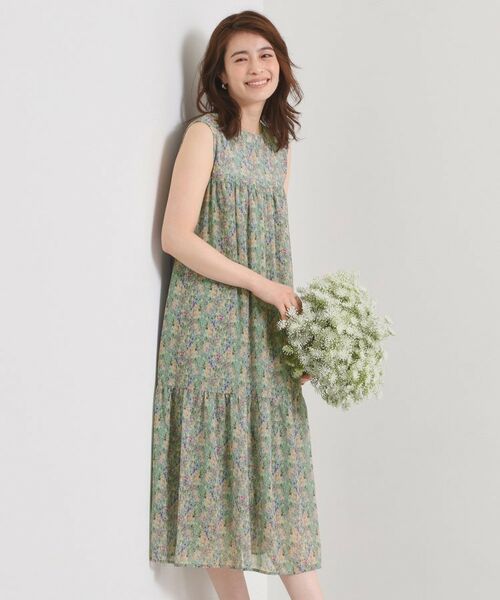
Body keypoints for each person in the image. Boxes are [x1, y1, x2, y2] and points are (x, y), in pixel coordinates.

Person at [149, 10, 323, 600]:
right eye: (240, 58)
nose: (256, 67)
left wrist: (295, 337)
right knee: (215, 471)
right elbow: (176, 236)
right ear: (221, 75)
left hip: (262, 325)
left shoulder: (278, 148)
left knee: (279, 474)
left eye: (266, 55)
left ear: (281, 64)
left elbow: (274, 249)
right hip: (209, 321)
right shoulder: (205, 135)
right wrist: (260, 287)